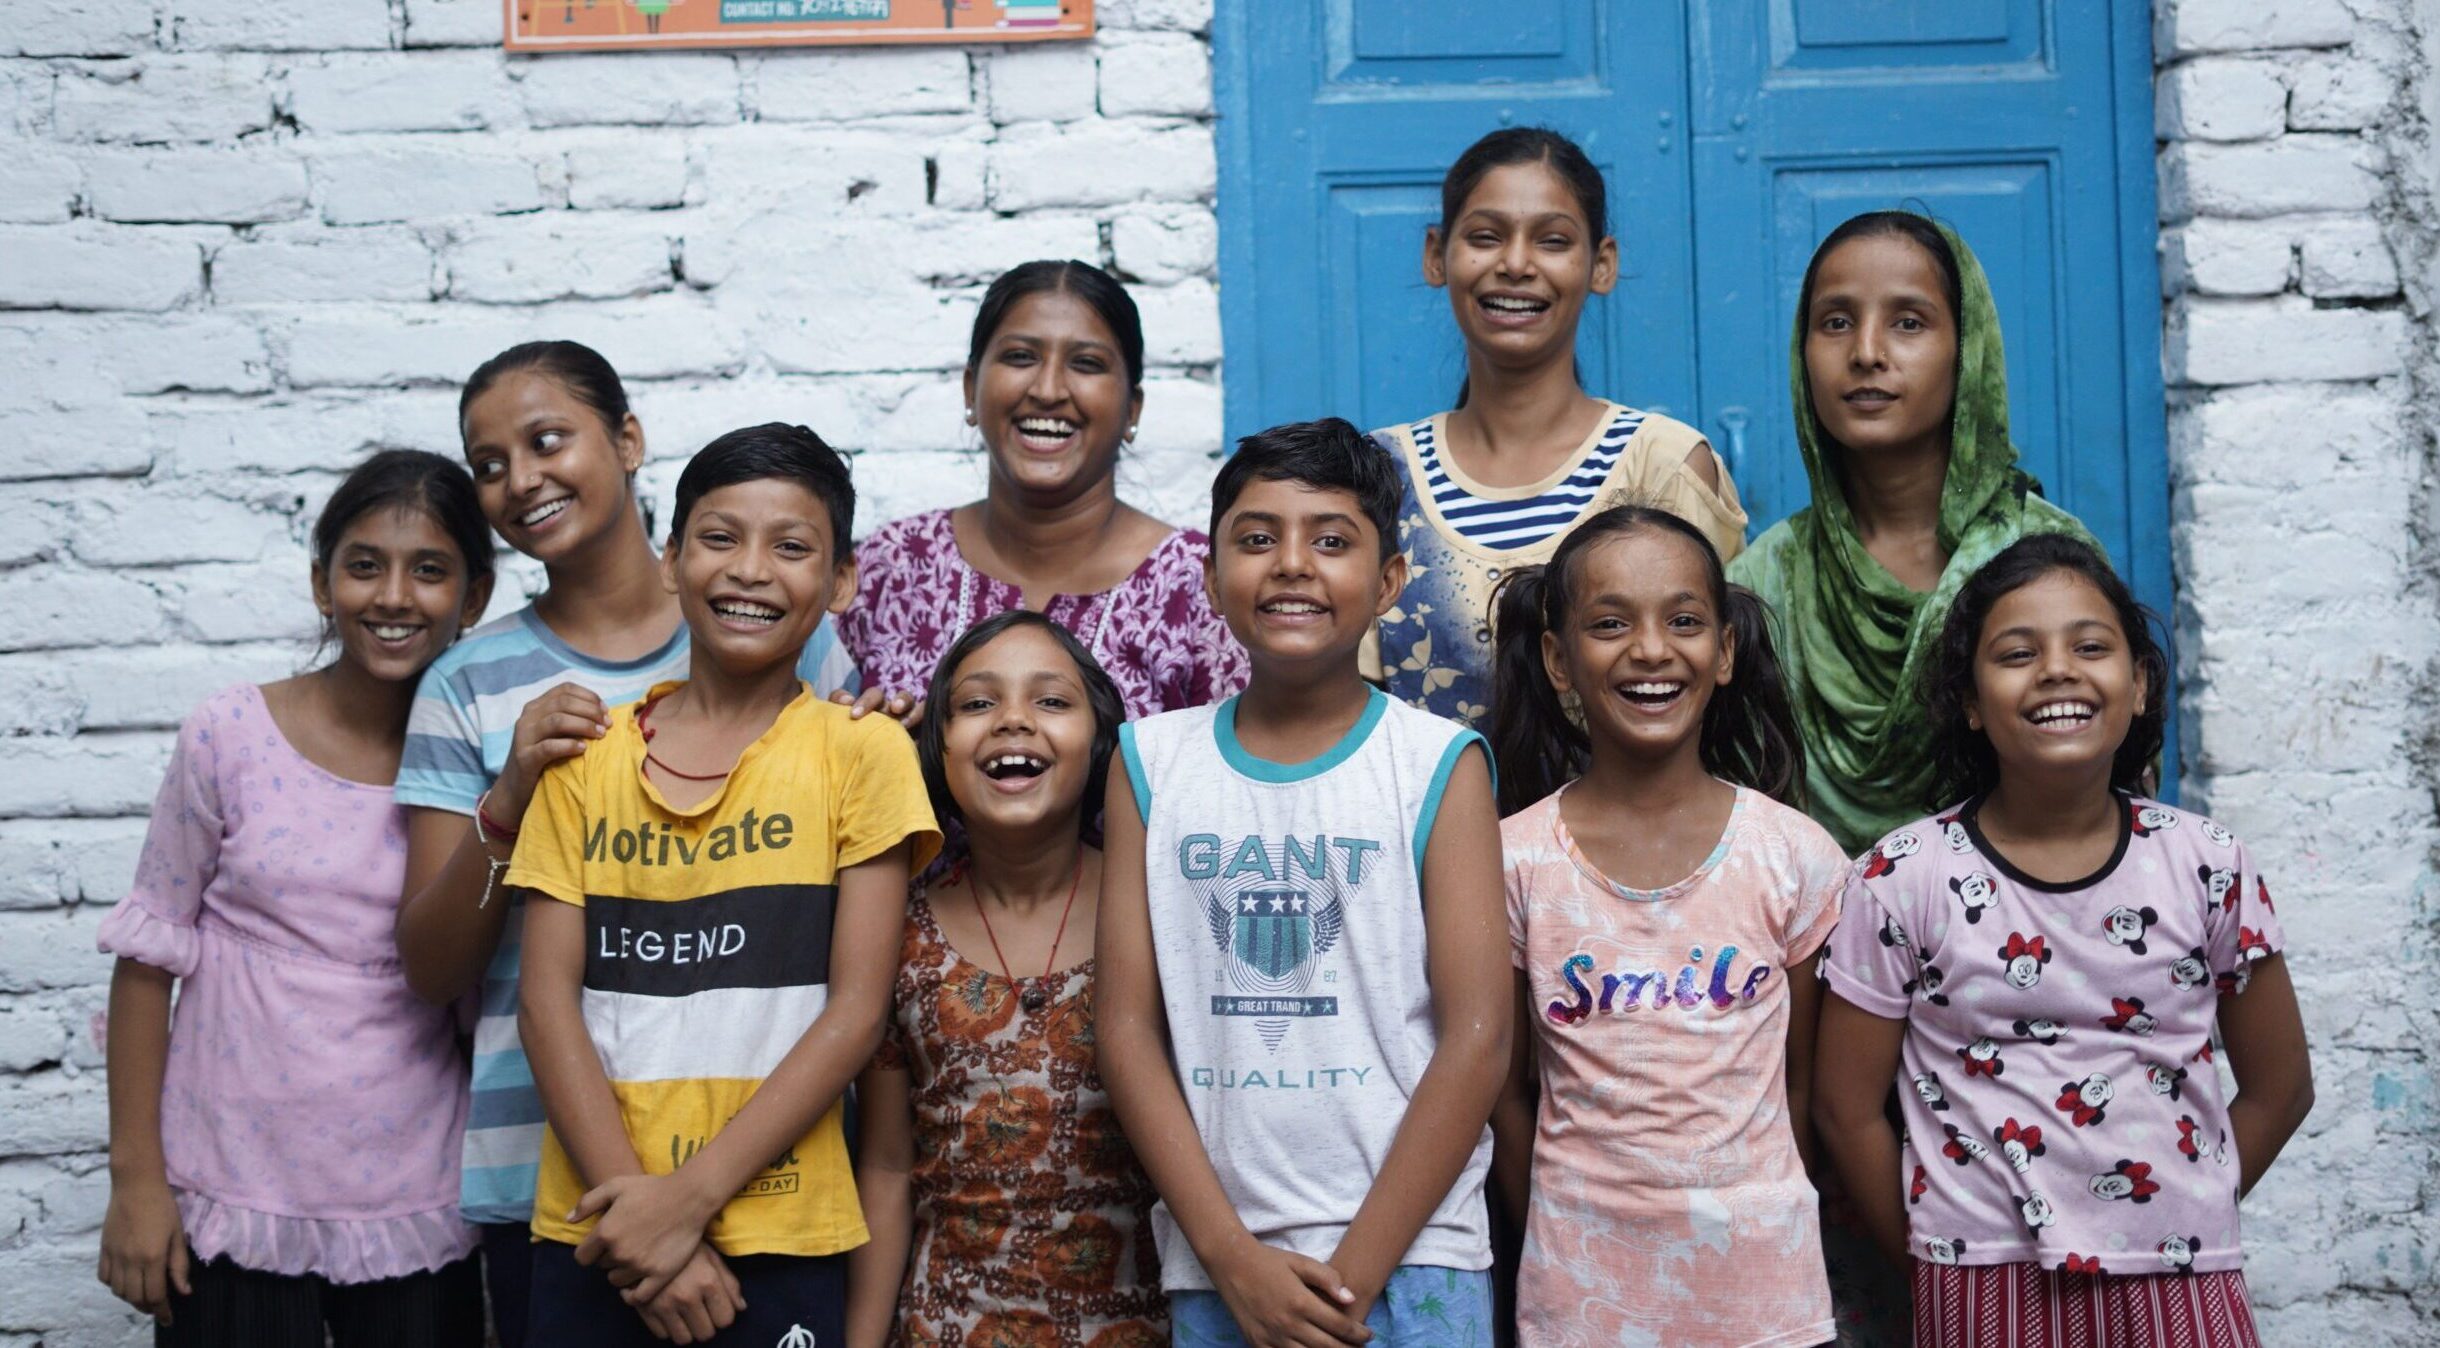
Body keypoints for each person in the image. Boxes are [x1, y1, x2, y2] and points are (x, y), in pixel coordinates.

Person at [390, 342, 861, 1346]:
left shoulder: (795, 638)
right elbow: (431, 967)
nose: (521, 479)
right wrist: (510, 797)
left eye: (546, 438)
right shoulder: (466, 682)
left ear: (629, 438)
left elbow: (840, 910)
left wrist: (691, 1199)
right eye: (488, 464)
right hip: (553, 1176)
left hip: (767, 1162)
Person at [1813, 535, 2313, 1348]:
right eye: (2017, 653)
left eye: (2091, 646)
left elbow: (2281, 1087)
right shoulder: (1901, 877)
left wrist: (2188, 1201)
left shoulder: (2208, 864)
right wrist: (1931, 1248)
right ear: (1971, 700)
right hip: (1976, 1277)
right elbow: (1843, 1108)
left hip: (2184, 1274)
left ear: (2140, 684)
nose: (2056, 670)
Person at [509, 422, 941, 1346]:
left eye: (791, 547)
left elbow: (857, 1012)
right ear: (669, 559)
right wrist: (642, 1223)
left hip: (784, 1230)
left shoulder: (862, 753)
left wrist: (687, 1205)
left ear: (840, 584)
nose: (751, 569)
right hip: (600, 1223)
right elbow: (545, 1005)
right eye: (718, 537)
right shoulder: (581, 758)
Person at [1096, 418, 1511, 1348]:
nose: (1292, 564)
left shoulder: (1438, 763)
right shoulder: (1150, 763)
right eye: (1256, 539)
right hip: (1225, 1266)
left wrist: (1349, 1282)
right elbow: (1125, 1028)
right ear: (1209, 576)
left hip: (1416, 1261)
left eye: (1331, 539)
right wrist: (1230, 1257)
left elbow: (1479, 1038)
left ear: (1390, 582)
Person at [97, 451, 497, 1345]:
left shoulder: (487, 767)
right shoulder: (230, 734)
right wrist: (136, 1182)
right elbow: (146, 956)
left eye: (429, 570)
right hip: (229, 1194)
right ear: (323, 584)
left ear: (473, 598)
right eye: (364, 565)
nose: (393, 596)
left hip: (414, 1204)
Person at [1484, 504, 1838, 1348]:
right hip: (1582, 1300)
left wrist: (1760, 1220)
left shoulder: (1794, 856)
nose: (1650, 649)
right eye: (1610, 624)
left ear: (1722, 652)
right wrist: (1566, 1234)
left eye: (1683, 621)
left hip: (1767, 1303)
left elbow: (1803, 1091)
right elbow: (1505, 1095)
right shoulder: (1511, 862)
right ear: (1558, 661)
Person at [1727, 211, 2104, 855]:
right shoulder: (1764, 581)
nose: (1867, 352)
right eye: (1836, 322)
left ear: (1967, 351)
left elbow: (2107, 792)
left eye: (1908, 322)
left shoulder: (2048, 559)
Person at [846, 611, 1167, 1348]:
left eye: (1051, 702)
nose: (1013, 721)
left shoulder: (1156, 908)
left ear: (1103, 742)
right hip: (945, 1326)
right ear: (938, 746)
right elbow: (890, 1168)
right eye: (977, 703)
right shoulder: (900, 930)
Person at [1368, 127, 1748, 726]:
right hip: (1419, 823)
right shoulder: (1378, 473)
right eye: (1486, 237)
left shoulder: (1660, 464)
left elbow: (1711, 701)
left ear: (1602, 264)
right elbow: (1345, 707)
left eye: (1551, 241)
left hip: (1626, 824)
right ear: (1436, 255)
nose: (1516, 264)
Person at [840, 259, 1247, 724]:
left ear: (1132, 408)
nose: (1049, 389)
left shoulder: (1201, 587)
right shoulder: (890, 568)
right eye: (1019, 357)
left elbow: (1240, 777)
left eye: (1087, 364)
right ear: (971, 388)